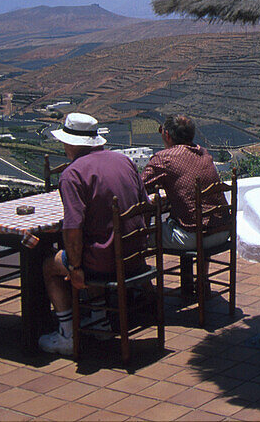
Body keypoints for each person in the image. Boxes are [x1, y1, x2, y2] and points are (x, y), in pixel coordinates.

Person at [39, 113, 149, 355]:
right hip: (135, 256)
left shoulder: (72, 175)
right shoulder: (124, 162)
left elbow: (73, 230)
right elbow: (146, 204)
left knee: (49, 265)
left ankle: (67, 333)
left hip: (104, 261)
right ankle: (98, 317)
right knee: (97, 243)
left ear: (71, 143)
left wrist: (76, 269)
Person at [140, 114, 228, 250]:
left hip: (194, 236)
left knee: (141, 237)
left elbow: (138, 186)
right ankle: (200, 271)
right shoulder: (204, 153)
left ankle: (140, 269)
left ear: (167, 135)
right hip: (222, 231)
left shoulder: (163, 158)